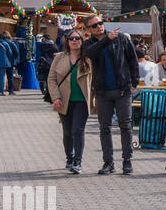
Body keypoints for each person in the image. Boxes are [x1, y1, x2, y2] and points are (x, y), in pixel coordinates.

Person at [81, 13, 140, 175]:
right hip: (102, 92)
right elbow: (90, 54)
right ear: (88, 29)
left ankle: (127, 161)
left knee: (125, 126)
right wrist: (107, 39)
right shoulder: (89, 44)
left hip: (122, 90)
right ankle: (108, 163)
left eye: (100, 23)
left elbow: (132, 60)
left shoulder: (121, 38)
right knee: (104, 128)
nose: (99, 26)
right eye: (94, 25)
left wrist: (134, 83)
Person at [46, 29, 92, 174]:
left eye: (77, 38)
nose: (74, 41)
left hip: (82, 100)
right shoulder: (59, 57)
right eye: (71, 38)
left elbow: (95, 79)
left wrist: (95, 98)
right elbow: (51, 79)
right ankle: (69, 157)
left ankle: (78, 161)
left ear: (82, 40)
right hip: (64, 100)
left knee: (78, 130)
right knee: (67, 132)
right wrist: (55, 97)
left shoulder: (88, 58)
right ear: (67, 41)